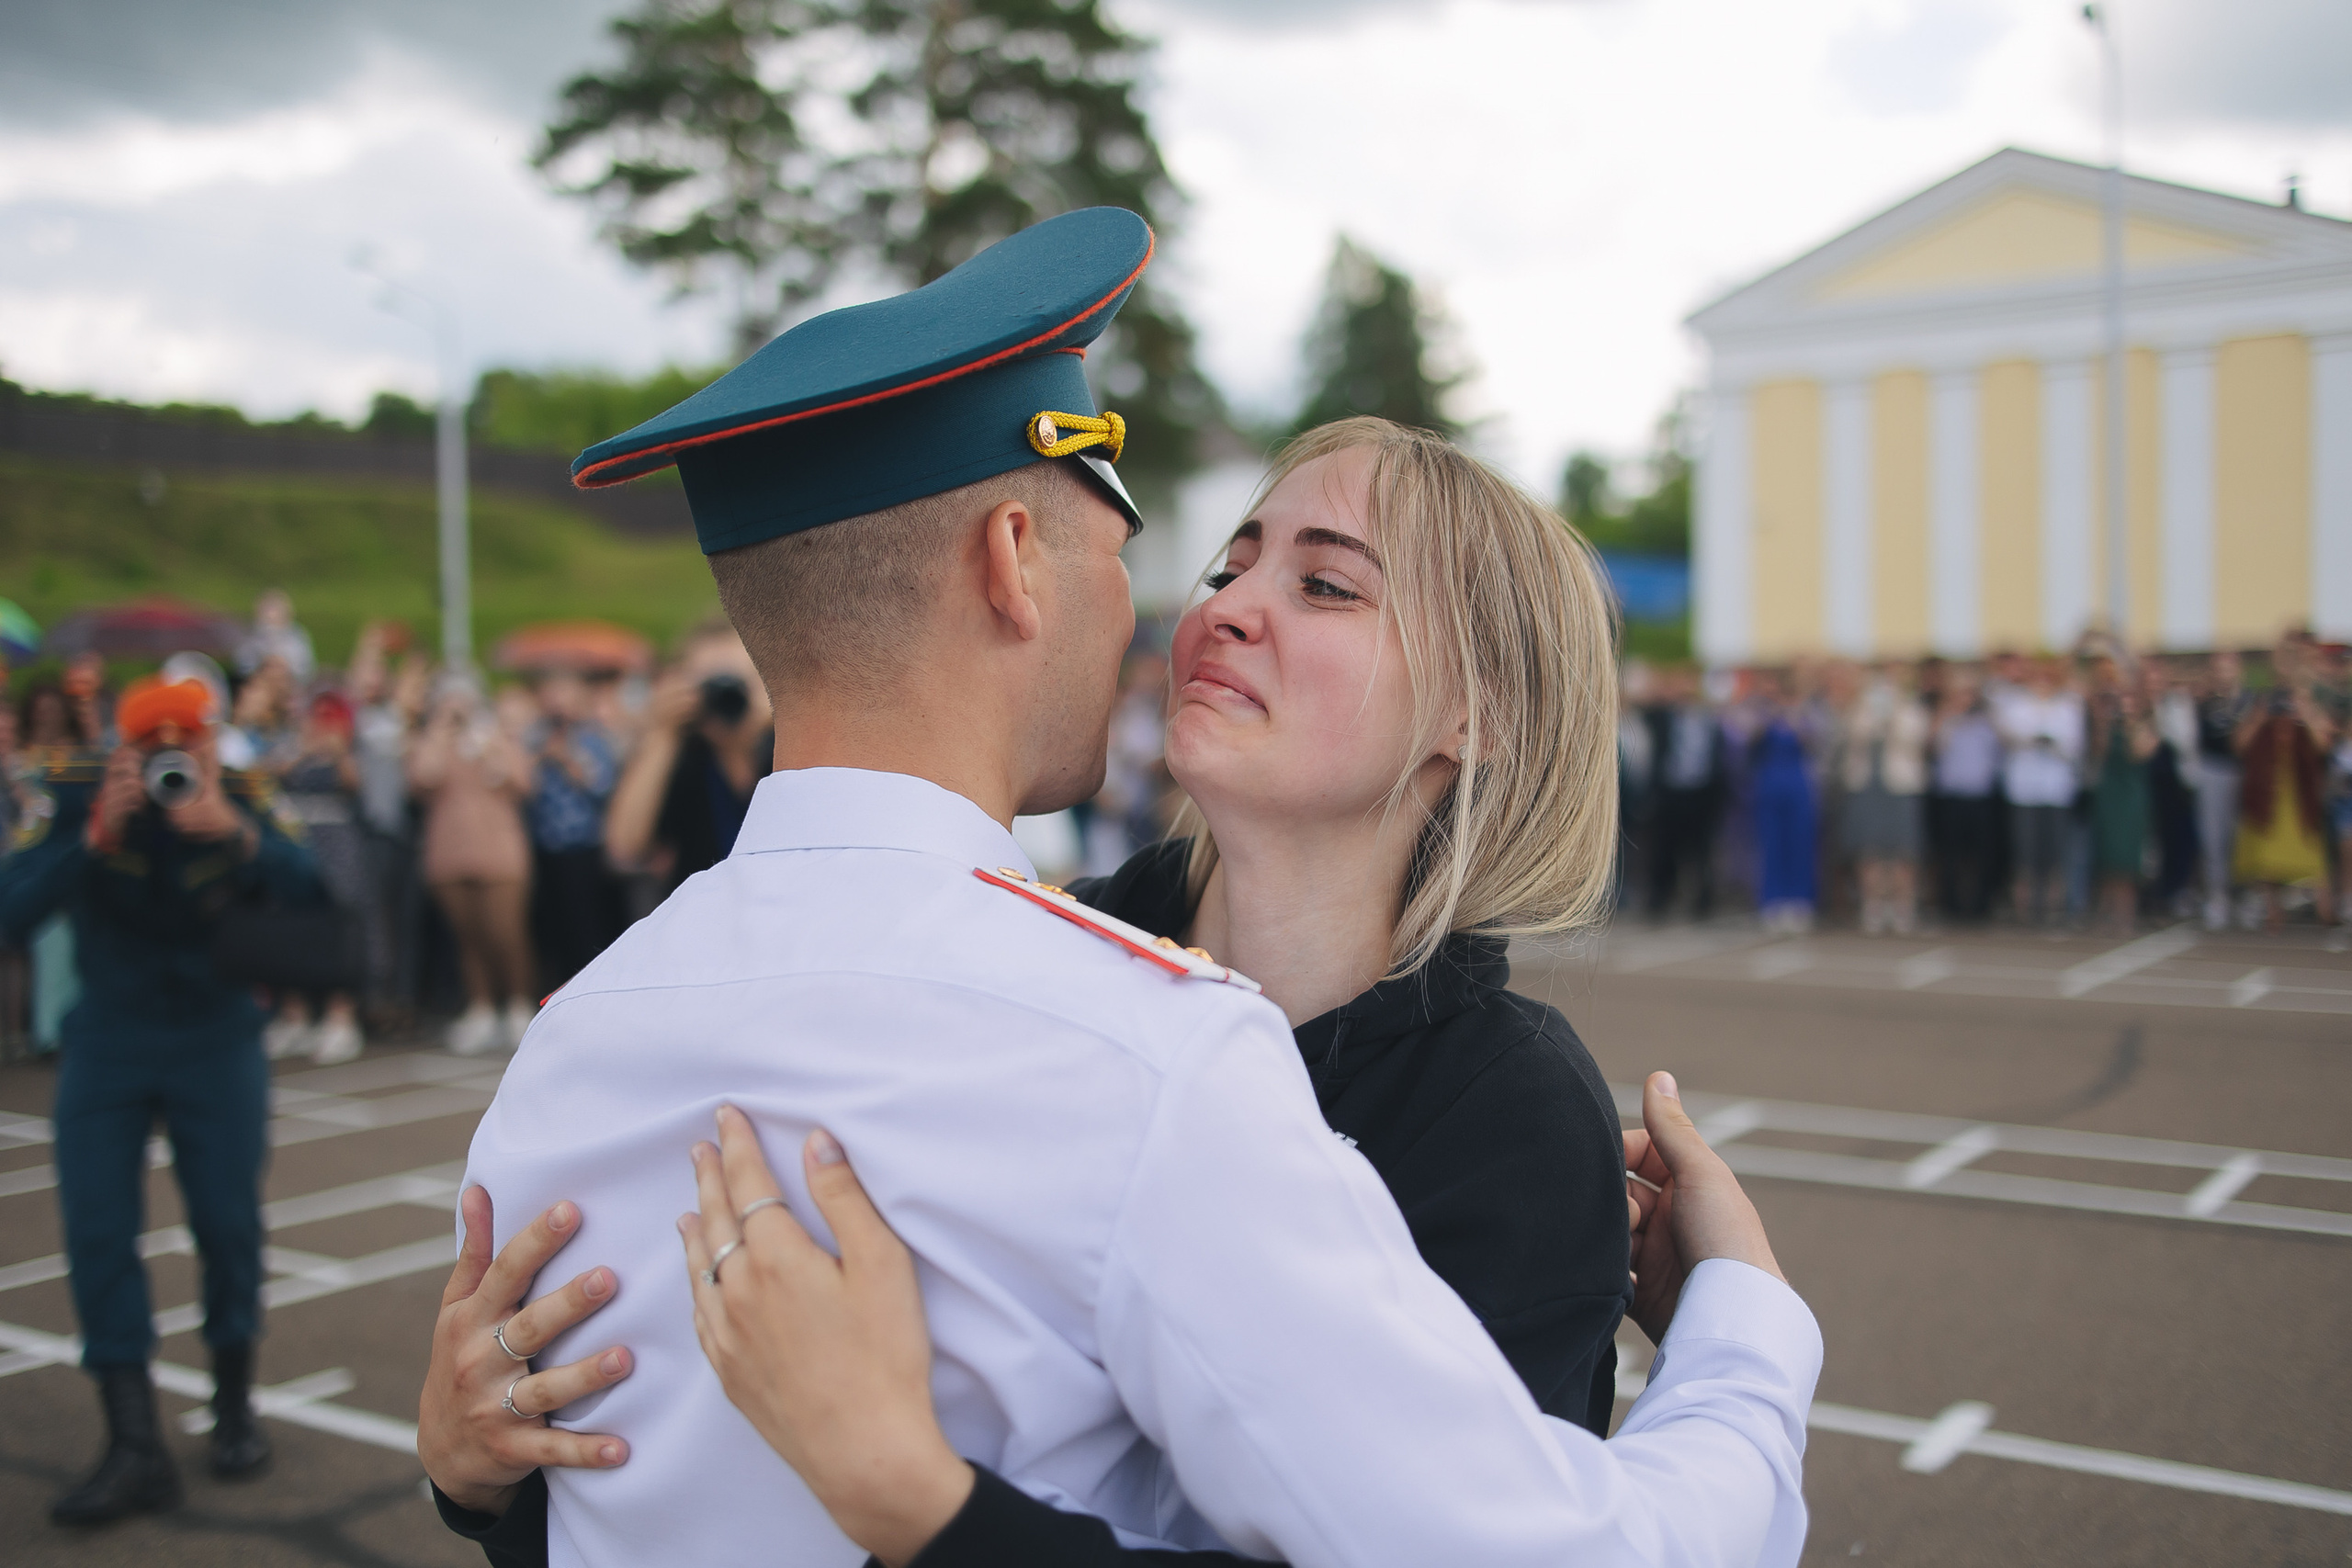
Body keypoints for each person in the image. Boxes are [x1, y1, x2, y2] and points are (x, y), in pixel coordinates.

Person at [417, 211, 1817, 1568]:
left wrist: (503, 1498)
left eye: (1327, 585)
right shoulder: (1143, 1045)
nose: (1212, 606)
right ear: (1014, 563)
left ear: (1484, 712)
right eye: (1204, 559)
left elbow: (626, 1498)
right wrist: (1746, 1329)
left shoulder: (572, 1036)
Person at [0, 676, 325, 1522]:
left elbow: (325, 901)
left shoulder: (247, 796)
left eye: (188, 743)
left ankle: (233, 1409)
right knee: (97, 1230)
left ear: (213, 744)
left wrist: (243, 836)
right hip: (109, 1036)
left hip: (217, 1037)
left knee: (228, 1224)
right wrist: (91, 836)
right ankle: (134, 1443)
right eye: (153, 747)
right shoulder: (75, 792)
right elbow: (10, 911)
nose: (171, 761)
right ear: (123, 747)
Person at [410, 677, 537, 1054]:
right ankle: (481, 1008)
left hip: (500, 852)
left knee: (506, 933)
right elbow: (421, 780)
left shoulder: (498, 738)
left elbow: (523, 783)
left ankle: (517, 1005)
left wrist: (490, 748)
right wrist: (438, 736)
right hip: (449, 853)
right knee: (468, 937)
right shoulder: (434, 744)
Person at [602, 623, 773, 897]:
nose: (726, 694)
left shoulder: (784, 747)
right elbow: (625, 848)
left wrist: (781, 719)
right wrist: (661, 734)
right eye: (712, 683)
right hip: (702, 908)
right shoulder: (678, 756)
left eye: (740, 680)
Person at [266, 690, 370, 1064]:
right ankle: (296, 1016)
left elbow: (354, 785)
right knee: (292, 927)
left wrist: (335, 749)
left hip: (337, 843)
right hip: (296, 840)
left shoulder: (348, 752)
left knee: (338, 926)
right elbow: (269, 778)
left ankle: (340, 1018)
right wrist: (302, 750)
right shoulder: (291, 747)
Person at [522, 671, 625, 992]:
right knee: (552, 926)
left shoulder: (592, 738)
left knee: (586, 925)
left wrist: (566, 761)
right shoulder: (533, 738)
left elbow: (603, 788)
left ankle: (591, 989)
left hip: (582, 846)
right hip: (543, 845)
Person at [2231, 660, 2333, 931]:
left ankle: (2326, 910)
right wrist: (2261, 713)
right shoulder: (2260, 707)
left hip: (2299, 796)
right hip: (2267, 793)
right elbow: (2239, 744)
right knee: (2266, 857)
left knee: (2311, 854)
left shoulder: (2307, 708)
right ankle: (2273, 911)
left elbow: (2323, 743)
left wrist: (2305, 708)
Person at [1840, 661, 1928, 933]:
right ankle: (1873, 906)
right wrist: (1872, 715)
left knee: (1903, 850)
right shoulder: (1860, 708)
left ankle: (1902, 907)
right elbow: (1853, 735)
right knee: (1870, 851)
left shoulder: (1911, 709)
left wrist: (1895, 715)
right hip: (1868, 786)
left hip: (1899, 787)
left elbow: (1916, 738)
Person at [1995, 657, 2083, 927]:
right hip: (2024, 790)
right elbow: (2009, 734)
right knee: (2026, 856)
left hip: (2055, 791)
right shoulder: (2017, 704)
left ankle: (2052, 911)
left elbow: (2074, 745)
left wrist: (2049, 739)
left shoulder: (2068, 706)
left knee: (2053, 856)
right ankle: (2026, 912)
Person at [1644, 667, 1725, 921]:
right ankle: (1661, 898)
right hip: (1671, 792)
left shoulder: (1708, 721)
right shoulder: (1663, 718)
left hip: (1700, 793)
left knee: (1701, 850)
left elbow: (1716, 758)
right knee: (1665, 848)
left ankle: (1703, 901)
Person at [2084, 681, 2156, 935]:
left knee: (2128, 858)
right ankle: (2105, 912)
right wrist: (2103, 721)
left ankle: (2126, 915)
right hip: (2109, 796)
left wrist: (2131, 723)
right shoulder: (2107, 727)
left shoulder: (2144, 727)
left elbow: (2140, 753)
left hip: (2131, 799)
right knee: (2107, 856)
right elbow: (2098, 752)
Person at [1929, 669, 2002, 923]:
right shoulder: (1945, 719)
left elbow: (2000, 747)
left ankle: (1981, 907)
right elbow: (1932, 746)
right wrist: (1948, 714)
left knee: (1982, 855)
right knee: (1951, 856)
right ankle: (1951, 907)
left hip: (1980, 796)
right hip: (1951, 796)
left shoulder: (1986, 721)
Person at [1747, 671, 1815, 932]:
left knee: (1799, 845)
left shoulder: (1805, 714)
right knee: (1772, 845)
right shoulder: (1761, 715)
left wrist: (1795, 718)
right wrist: (1767, 719)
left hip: (1798, 788)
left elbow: (1813, 743)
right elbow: (1750, 744)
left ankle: (1800, 902)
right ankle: (1772, 901)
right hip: (1769, 787)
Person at [234, 587, 315, 682]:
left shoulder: (297, 636)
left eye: (275, 609)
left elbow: (305, 668)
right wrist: (262, 664)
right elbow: (242, 666)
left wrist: (282, 665)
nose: (270, 615)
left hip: (289, 685)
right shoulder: (250, 635)